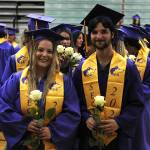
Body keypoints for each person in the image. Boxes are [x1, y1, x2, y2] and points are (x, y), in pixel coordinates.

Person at [73, 4, 144, 150]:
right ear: (90, 35)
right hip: (89, 137)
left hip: (118, 138)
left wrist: (120, 122)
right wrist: (86, 118)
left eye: (104, 31)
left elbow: (137, 103)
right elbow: (75, 102)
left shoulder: (128, 67)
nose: (99, 36)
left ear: (112, 34)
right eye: (94, 32)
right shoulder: (82, 68)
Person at [0, 28, 80, 150]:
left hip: (51, 144)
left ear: (54, 54)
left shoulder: (65, 81)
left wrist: (52, 131)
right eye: (40, 50)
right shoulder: (16, 79)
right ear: (33, 51)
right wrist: (23, 124)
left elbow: (72, 113)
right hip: (23, 144)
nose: (44, 55)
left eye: (49, 51)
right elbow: (2, 104)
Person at [119, 25, 150, 150]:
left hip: (142, 108)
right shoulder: (121, 62)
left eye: (125, 45)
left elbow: (148, 87)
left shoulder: (147, 62)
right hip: (124, 108)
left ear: (131, 46)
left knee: (139, 141)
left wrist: (128, 91)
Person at [1, 14, 55, 85]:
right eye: (35, 38)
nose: (40, 42)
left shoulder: (55, 58)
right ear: (28, 38)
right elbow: (5, 86)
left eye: (44, 38)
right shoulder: (14, 60)